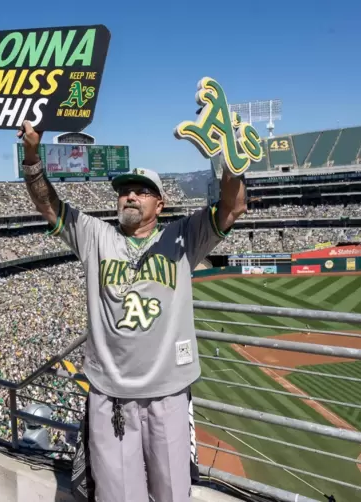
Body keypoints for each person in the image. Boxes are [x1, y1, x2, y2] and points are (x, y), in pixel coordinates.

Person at [18, 121, 247, 502]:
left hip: (169, 392)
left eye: (142, 191)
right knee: (118, 496)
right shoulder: (95, 236)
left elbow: (232, 206)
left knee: (172, 493)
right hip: (112, 394)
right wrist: (31, 157)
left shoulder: (183, 236)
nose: (130, 197)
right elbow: (47, 204)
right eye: (124, 191)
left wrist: (231, 163)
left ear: (161, 204)